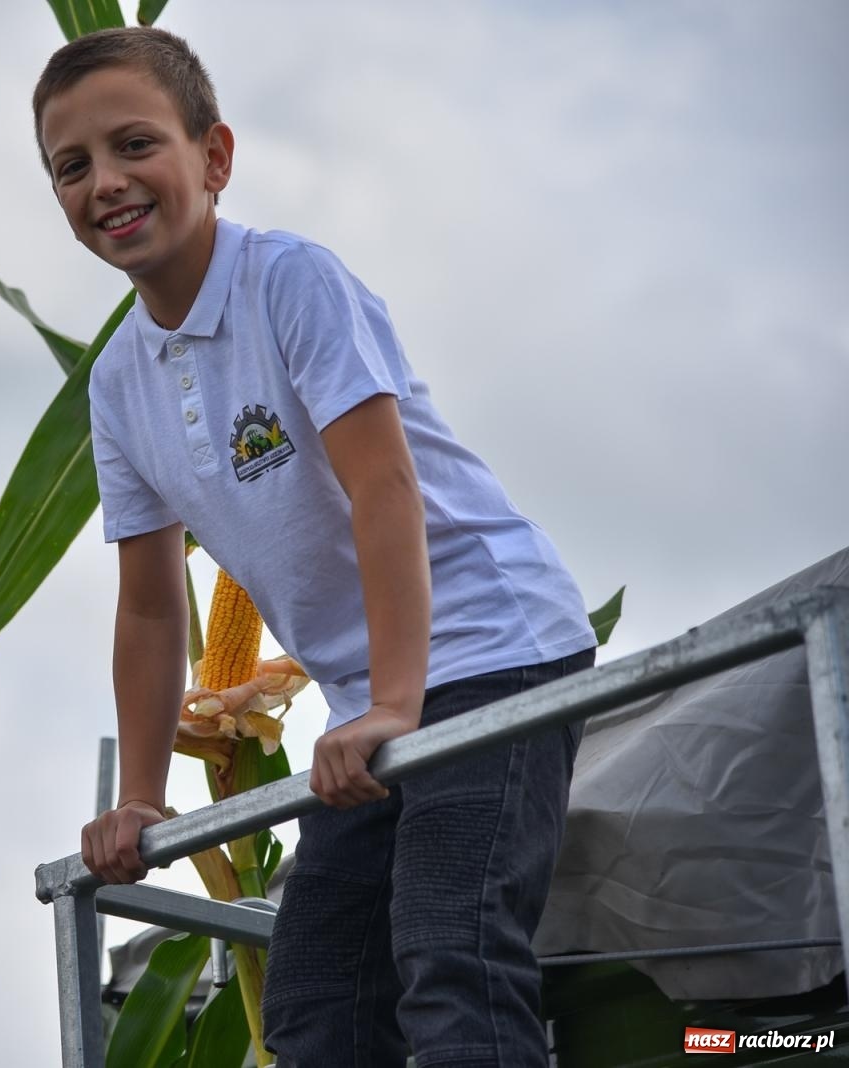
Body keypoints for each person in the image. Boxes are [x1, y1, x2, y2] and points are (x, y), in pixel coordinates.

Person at [33, 26, 599, 1068]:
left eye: (133, 145)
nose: (105, 182)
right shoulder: (117, 384)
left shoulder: (289, 283)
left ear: (213, 158)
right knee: (314, 1008)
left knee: (450, 956)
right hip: (371, 707)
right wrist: (141, 797)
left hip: (489, 650)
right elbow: (152, 603)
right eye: (72, 166)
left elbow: (381, 488)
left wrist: (389, 700)